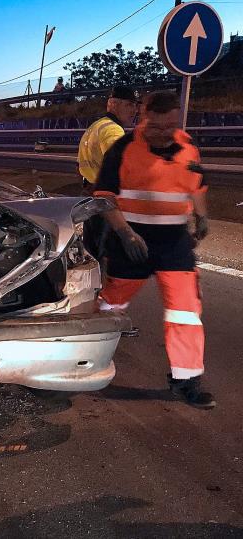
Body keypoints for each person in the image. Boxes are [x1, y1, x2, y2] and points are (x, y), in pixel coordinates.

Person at [94, 90, 214, 409]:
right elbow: (104, 197)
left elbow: (197, 186)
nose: (163, 133)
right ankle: (86, 359)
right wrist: (125, 233)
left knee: (185, 311)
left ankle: (186, 379)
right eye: (156, 126)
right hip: (130, 243)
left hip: (175, 244)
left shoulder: (187, 146)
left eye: (170, 127)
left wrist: (201, 216)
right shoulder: (122, 149)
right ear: (142, 118)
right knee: (111, 306)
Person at [78, 86, 139, 257]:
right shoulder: (113, 130)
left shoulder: (95, 126)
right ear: (113, 104)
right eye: (129, 105)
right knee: (109, 253)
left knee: (92, 250)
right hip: (105, 201)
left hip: (88, 195)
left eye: (135, 105)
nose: (135, 110)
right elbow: (122, 167)